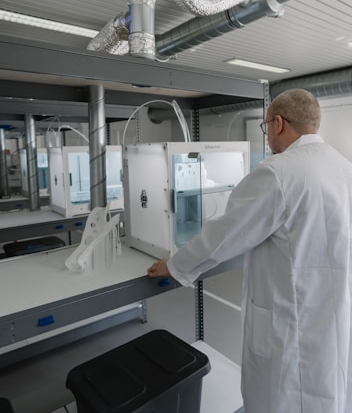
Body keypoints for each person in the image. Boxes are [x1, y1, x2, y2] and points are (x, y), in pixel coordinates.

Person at [147, 88, 352, 413]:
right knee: (329, 386)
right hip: (334, 311)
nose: (267, 134)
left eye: (266, 126)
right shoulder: (344, 168)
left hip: (291, 317)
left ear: (278, 124)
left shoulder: (279, 172)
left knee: (285, 396)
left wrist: (176, 264)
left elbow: (226, 233)